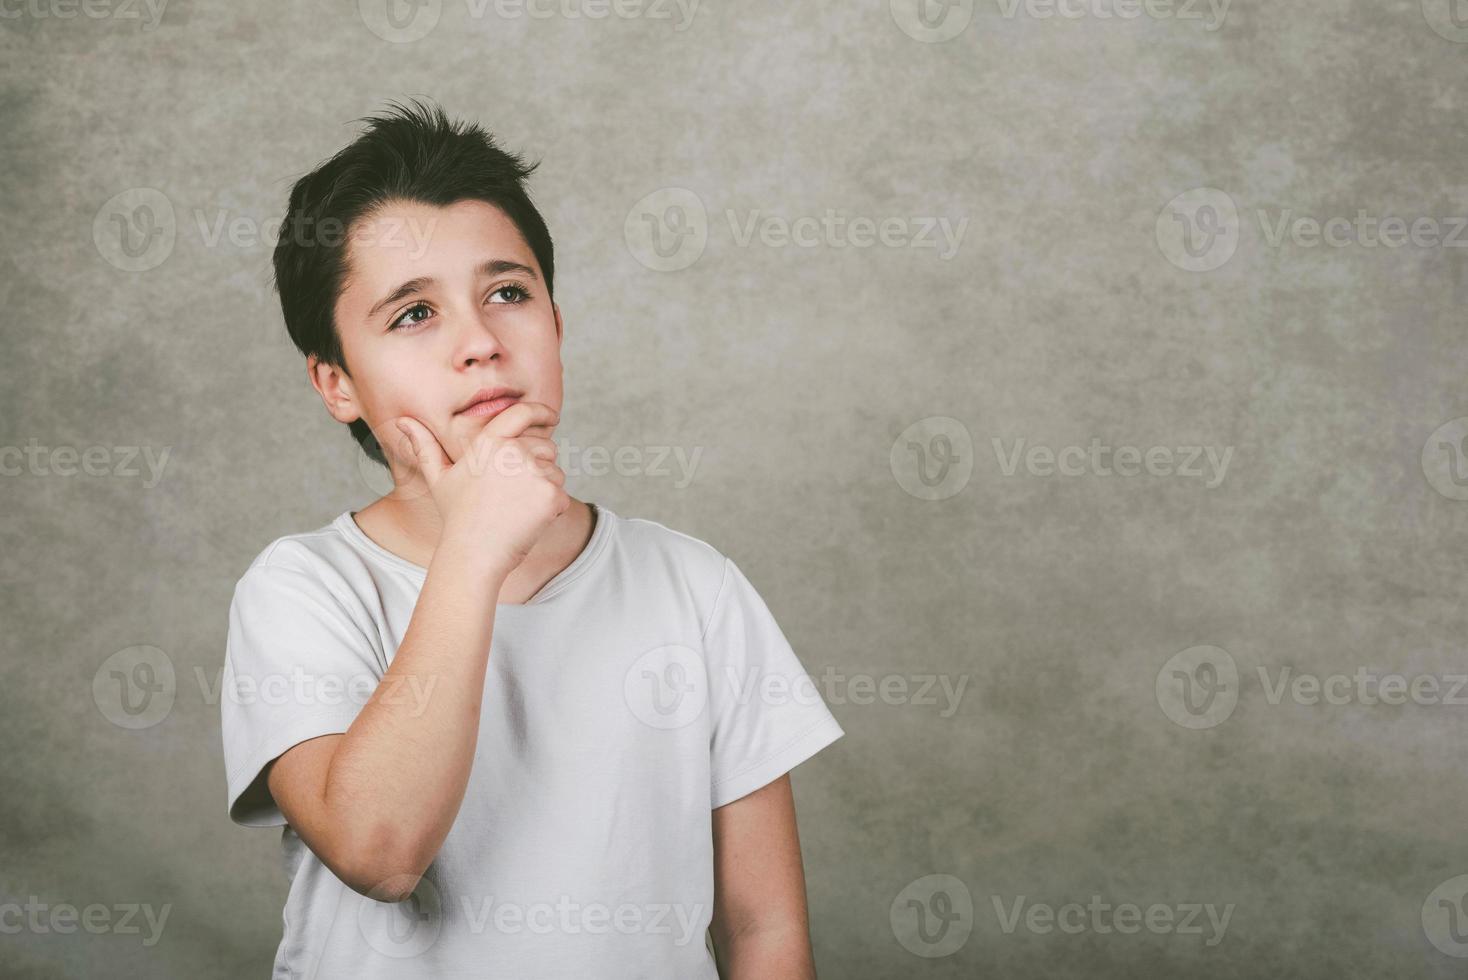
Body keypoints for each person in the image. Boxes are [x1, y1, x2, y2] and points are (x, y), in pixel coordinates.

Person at [218, 98, 844, 979]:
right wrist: (475, 545)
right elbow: (379, 850)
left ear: (556, 325)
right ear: (336, 383)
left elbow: (763, 929)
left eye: (507, 293)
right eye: (412, 315)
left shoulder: (695, 586)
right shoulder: (302, 588)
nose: (479, 341)